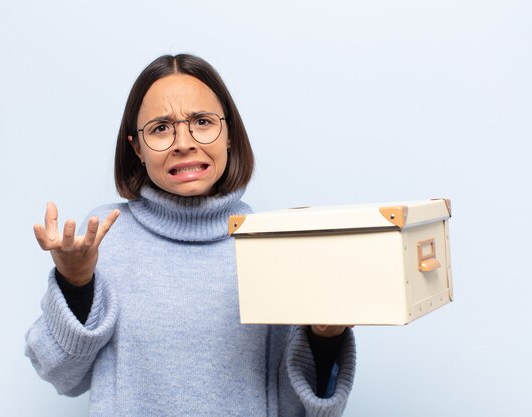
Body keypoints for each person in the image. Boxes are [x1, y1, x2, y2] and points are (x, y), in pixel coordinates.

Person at [25, 54, 356, 417]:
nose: (183, 142)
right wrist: (76, 283)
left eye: (202, 122)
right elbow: (60, 375)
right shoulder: (105, 236)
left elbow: (299, 408)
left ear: (229, 134)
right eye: (161, 128)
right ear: (137, 147)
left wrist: (326, 338)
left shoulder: (269, 245)